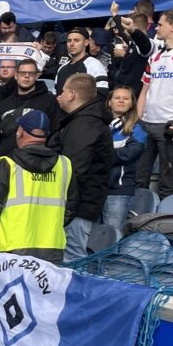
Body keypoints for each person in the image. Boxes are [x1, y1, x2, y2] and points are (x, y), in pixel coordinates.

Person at [0, 110, 73, 263]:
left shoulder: (8, 164)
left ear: (20, 131)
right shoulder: (64, 165)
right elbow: (71, 207)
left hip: (9, 248)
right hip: (51, 250)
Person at [51, 73, 114, 260]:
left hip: (77, 207)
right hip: (77, 205)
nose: (60, 95)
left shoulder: (85, 124)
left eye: (63, 91)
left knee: (72, 258)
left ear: (71, 95)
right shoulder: (81, 121)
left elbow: (74, 170)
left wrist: (67, 209)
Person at [136, 7, 173, 197]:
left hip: (171, 124)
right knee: (139, 177)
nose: (156, 28)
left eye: (160, 25)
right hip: (146, 123)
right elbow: (144, 91)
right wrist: (138, 120)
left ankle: (166, 215)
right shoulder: (155, 56)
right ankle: (137, 213)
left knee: (167, 181)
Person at [104, 86, 146, 232]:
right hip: (95, 188)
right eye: (117, 98)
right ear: (109, 102)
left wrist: (100, 154)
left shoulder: (138, 127)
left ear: (132, 103)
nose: (121, 101)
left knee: (112, 235)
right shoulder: (99, 124)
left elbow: (128, 154)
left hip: (119, 190)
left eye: (126, 98)